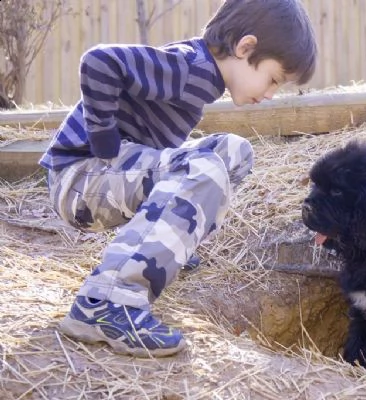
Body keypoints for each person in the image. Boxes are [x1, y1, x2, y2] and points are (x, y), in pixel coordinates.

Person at [39, 0, 317, 357]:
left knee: (233, 152)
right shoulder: (188, 66)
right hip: (81, 178)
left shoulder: (202, 74)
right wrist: (103, 136)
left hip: (109, 174)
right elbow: (99, 62)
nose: (269, 94)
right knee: (205, 168)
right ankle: (106, 303)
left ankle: (170, 246)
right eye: (273, 79)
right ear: (245, 47)